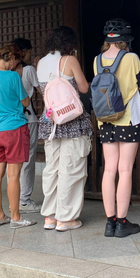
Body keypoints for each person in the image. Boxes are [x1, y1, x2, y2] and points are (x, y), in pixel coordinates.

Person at [95, 18, 140, 238]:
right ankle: (122, 221)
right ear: (126, 39)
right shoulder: (131, 58)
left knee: (109, 169)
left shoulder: (97, 60)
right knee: (125, 170)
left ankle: (109, 222)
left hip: (105, 120)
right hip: (127, 119)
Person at [36, 26, 93, 232]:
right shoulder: (70, 60)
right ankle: (66, 219)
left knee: (52, 169)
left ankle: (50, 216)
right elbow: (84, 87)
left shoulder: (40, 63)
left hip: (50, 122)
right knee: (72, 169)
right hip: (72, 122)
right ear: (70, 43)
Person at [0, 43, 37, 229]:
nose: (16, 65)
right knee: (14, 175)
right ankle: (16, 217)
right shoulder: (14, 76)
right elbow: (25, 100)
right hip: (14, 128)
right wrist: (20, 77)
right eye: (16, 60)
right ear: (11, 58)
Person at [11, 37, 42, 214]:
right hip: (28, 119)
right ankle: (25, 200)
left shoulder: (8, 72)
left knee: (15, 160)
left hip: (13, 120)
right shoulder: (29, 70)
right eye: (29, 51)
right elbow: (41, 90)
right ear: (24, 52)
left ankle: (17, 199)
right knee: (28, 159)